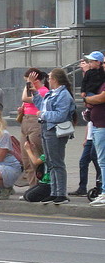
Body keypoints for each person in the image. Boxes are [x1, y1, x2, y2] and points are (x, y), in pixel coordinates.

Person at [31, 66, 75, 205]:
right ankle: (54, 192)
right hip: (46, 128)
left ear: (55, 79)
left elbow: (60, 115)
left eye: (49, 77)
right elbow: (42, 106)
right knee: (50, 163)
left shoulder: (63, 95)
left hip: (55, 130)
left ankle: (61, 193)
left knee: (57, 163)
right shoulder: (53, 93)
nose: (48, 80)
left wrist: (43, 115)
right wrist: (36, 94)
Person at [79, 51, 105, 205]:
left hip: (102, 125)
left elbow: (101, 97)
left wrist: (88, 98)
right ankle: (102, 190)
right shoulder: (97, 79)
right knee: (100, 160)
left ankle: (103, 191)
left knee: (102, 160)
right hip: (96, 125)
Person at [19, 67, 47, 171]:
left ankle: (40, 182)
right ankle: (32, 185)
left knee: (35, 153)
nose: (26, 84)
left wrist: (29, 83)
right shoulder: (31, 91)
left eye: (27, 80)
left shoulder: (43, 91)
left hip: (35, 122)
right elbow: (25, 102)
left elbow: (25, 98)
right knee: (26, 158)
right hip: (26, 121)